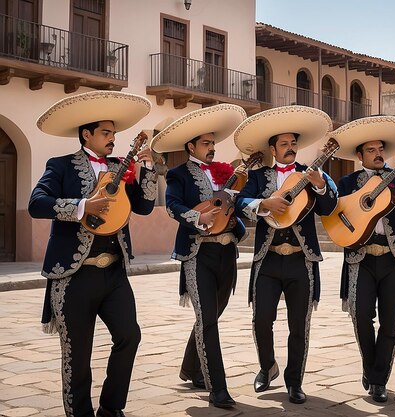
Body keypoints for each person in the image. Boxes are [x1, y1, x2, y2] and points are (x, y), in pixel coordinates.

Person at [29, 91, 155, 417]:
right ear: (87, 134)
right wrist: (83, 205)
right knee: (77, 353)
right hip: (74, 274)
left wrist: (148, 169)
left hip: (114, 271)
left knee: (129, 336)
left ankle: (111, 409)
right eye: (105, 133)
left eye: (114, 134)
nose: (112, 139)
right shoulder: (61, 166)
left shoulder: (120, 169)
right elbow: (36, 203)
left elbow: (143, 206)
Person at [234, 106, 337, 404]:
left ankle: (295, 381)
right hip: (267, 259)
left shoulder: (311, 174)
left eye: (294, 144)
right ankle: (267, 368)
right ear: (273, 148)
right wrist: (264, 203)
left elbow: (329, 207)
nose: (290, 148)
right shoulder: (258, 176)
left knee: (298, 324)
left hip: (301, 260)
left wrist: (319, 186)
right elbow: (240, 202)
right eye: (284, 144)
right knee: (260, 319)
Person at [150, 105, 248, 408]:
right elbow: (172, 206)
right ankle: (217, 387)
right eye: (206, 143)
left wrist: (238, 204)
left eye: (213, 143)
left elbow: (236, 207)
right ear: (191, 146)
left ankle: (190, 368)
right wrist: (197, 217)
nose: (212, 148)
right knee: (208, 320)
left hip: (227, 251)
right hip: (197, 253)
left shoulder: (225, 173)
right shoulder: (179, 174)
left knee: (212, 315)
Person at [331, 116, 395, 402]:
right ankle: (370, 367)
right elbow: (335, 213)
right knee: (360, 317)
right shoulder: (347, 182)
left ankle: (379, 379)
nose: (377, 154)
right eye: (370, 150)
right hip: (360, 259)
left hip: (393, 260)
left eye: (380, 149)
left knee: (390, 322)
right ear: (360, 156)